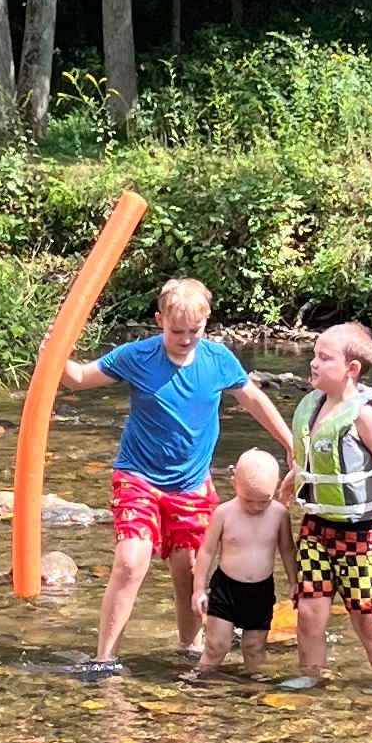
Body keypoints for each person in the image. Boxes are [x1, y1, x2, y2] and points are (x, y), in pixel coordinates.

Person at [61, 275, 294, 675]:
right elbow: (78, 378)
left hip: (190, 484)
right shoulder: (138, 356)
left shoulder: (218, 360)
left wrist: (289, 442)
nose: (185, 339)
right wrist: (54, 352)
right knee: (131, 562)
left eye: (194, 331)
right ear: (159, 321)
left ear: (206, 322)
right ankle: (104, 658)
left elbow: (253, 400)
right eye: (176, 331)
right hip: (138, 476)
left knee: (188, 571)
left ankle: (189, 648)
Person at [283, 319, 372, 694]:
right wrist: (292, 479)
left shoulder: (363, 414)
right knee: (309, 609)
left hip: (360, 534)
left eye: (324, 358)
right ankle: (311, 674)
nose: (313, 362)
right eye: (314, 354)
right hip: (315, 528)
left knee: (366, 613)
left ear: (352, 369)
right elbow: (310, 459)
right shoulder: (312, 406)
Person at [193, 448, 290, 680]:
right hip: (226, 588)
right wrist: (198, 589)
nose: (255, 507)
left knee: (254, 648)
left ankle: (253, 687)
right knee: (217, 645)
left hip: (260, 590)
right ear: (234, 483)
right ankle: (200, 679)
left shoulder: (279, 514)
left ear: (277, 486)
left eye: (263, 501)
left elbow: (287, 550)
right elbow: (206, 551)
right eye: (248, 500)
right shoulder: (224, 513)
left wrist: (295, 583)